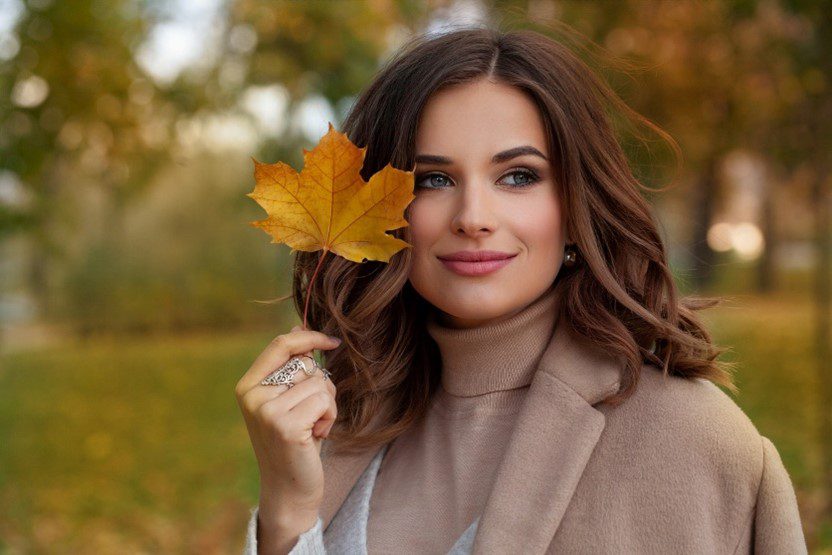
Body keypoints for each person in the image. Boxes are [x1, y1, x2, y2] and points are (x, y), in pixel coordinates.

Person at [235, 25, 808, 555]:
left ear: (577, 206)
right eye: (433, 179)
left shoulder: (697, 444)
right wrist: (286, 516)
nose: (474, 217)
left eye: (518, 176)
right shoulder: (340, 426)